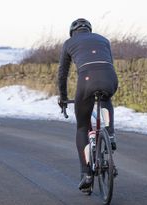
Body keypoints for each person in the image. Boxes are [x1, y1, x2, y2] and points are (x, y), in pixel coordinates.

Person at [57, 18, 118, 191]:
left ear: (72, 32)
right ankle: (110, 134)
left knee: (82, 126)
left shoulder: (69, 43)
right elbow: (108, 63)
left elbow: (62, 74)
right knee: (106, 98)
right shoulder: (103, 39)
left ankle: (86, 174)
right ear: (89, 30)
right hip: (109, 77)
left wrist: (63, 97)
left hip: (87, 80)